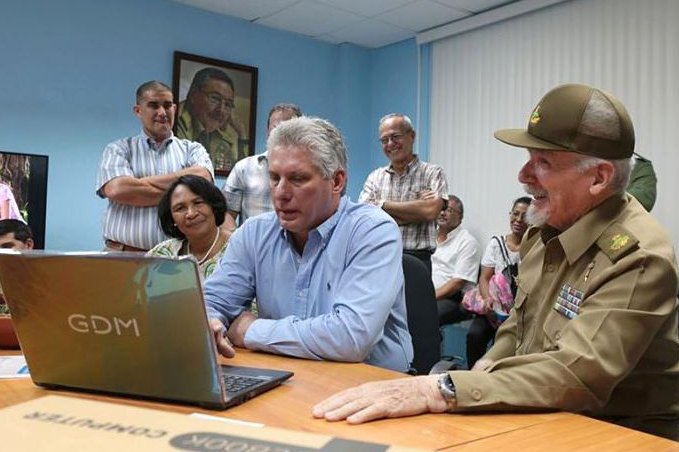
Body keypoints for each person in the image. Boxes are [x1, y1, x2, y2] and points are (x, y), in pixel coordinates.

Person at [312, 84, 679, 441]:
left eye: (543, 163)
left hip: (622, 431)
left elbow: (577, 374)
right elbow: (519, 327)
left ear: (599, 178)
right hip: (548, 412)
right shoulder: (545, 233)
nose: (523, 176)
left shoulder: (637, 256)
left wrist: (443, 390)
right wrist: (485, 370)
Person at [203, 116, 414, 372]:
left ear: (336, 181)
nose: (280, 192)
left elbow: (350, 338)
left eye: (298, 179)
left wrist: (249, 329)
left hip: (372, 386)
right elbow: (212, 302)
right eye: (274, 177)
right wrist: (212, 320)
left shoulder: (372, 230)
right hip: (284, 377)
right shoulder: (254, 233)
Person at [96, 80, 214, 252]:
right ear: (138, 111)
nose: (162, 112)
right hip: (124, 255)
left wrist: (140, 183)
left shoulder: (192, 149)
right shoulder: (118, 149)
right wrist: (181, 195)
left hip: (176, 258)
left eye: (167, 105)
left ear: (174, 108)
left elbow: (203, 178)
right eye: (153, 105)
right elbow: (118, 190)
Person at [359, 113, 448, 273]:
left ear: (412, 136)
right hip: (380, 259)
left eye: (395, 137)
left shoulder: (433, 173)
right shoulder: (375, 177)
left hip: (417, 260)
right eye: (384, 140)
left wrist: (380, 205)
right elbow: (366, 219)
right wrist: (417, 208)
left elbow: (429, 211)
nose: (390, 144)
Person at [464, 196, 530, 369]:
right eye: (515, 214)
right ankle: (471, 377)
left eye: (525, 216)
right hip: (493, 310)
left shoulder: (535, 247)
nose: (518, 220)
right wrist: (488, 300)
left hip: (518, 314)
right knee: (474, 335)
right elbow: (484, 278)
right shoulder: (496, 243)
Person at [222, 103, 303, 232]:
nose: (282, 134)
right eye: (276, 128)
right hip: (252, 248)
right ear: (267, 132)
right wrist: (236, 241)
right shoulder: (244, 168)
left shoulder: (309, 172)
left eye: (288, 128)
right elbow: (226, 214)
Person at [147, 175, 229, 282]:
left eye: (198, 203)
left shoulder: (240, 249)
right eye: (180, 208)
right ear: (172, 219)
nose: (191, 214)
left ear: (213, 206)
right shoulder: (164, 253)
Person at [176, 68, 248, 173]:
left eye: (228, 104)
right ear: (193, 95)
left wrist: (242, 136)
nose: (221, 110)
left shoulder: (227, 133)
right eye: (215, 98)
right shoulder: (174, 123)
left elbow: (241, 174)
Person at [431, 195, 480, 325]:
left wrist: (427, 298)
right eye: (441, 209)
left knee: (424, 316)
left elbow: (457, 283)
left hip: (451, 298)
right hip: (424, 292)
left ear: (460, 217)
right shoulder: (428, 235)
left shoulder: (468, 242)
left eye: (449, 210)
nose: (442, 213)